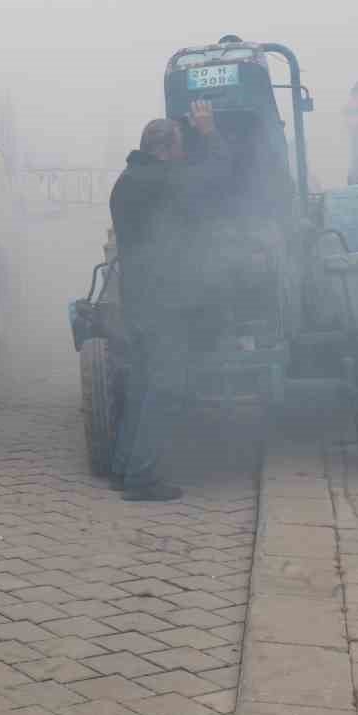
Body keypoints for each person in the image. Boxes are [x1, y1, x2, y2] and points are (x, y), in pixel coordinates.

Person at [107, 102, 230, 502]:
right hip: (166, 302)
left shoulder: (127, 180)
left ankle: (123, 466)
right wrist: (210, 132)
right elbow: (218, 176)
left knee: (143, 384)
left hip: (139, 299)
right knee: (167, 385)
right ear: (164, 150)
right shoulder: (163, 180)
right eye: (179, 147)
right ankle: (142, 477)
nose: (183, 153)